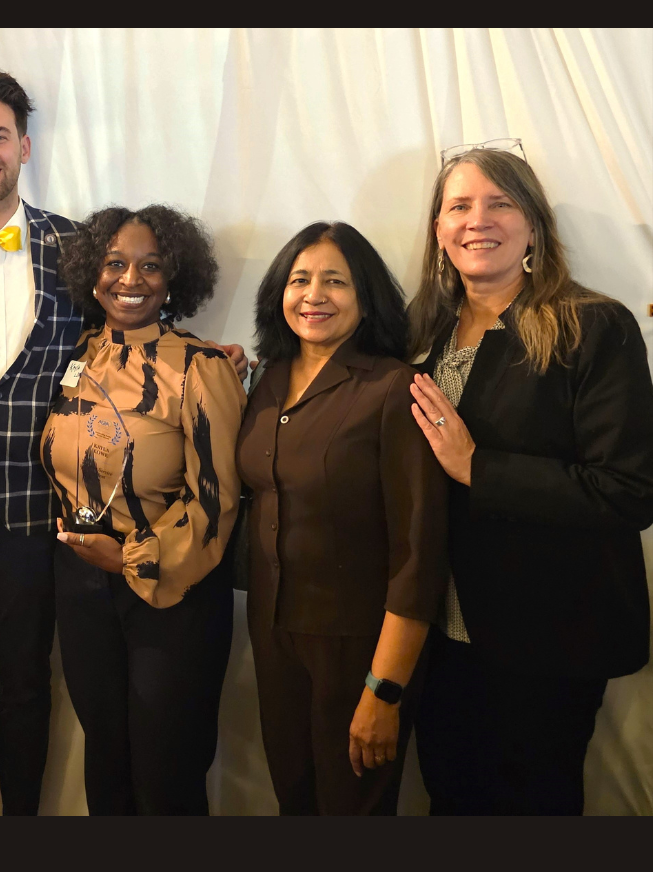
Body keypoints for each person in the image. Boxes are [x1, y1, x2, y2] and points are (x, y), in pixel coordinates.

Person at [0, 63, 247, 815]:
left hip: (34, 510)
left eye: (0, 136)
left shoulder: (75, 244)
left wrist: (216, 357)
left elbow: (127, 330)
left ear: (26, 147)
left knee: (26, 689)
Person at [407, 143, 653, 815]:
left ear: (534, 227)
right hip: (440, 632)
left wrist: (475, 467)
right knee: (449, 799)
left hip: (548, 640)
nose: (476, 219)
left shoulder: (592, 326)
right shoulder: (421, 333)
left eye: (500, 202)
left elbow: (628, 490)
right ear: (437, 230)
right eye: (459, 205)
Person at [235, 221, 449, 815]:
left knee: (353, 810)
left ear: (366, 296)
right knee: (295, 802)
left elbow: (418, 552)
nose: (313, 295)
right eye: (299, 279)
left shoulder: (394, 388)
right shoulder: (267, 379)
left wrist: (385, 689)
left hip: (358, 647)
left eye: (336, 281)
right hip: (274, 632)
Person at [41, 205, 246, 814]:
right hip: (80, 589)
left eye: (150, 266)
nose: (130, 279)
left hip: (171, 591)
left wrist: (131, 556)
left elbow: (218, 500)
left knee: (167, 771)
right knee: (105, 761)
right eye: (114, 264)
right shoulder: (71, 356)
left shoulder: (201, 366)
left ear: (175, 277)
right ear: (91, 273)